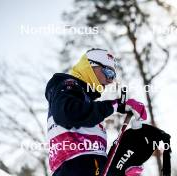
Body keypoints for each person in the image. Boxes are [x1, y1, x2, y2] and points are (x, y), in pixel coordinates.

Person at [45, 48, 147, 176]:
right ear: (90, 66)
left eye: (113, 77)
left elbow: (95, 160)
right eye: (109, 73)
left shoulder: (85, 101)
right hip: (72, 167)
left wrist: (121, 168)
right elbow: (69, 113)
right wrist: (114, 105)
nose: (110, 81)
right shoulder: (66, 85)